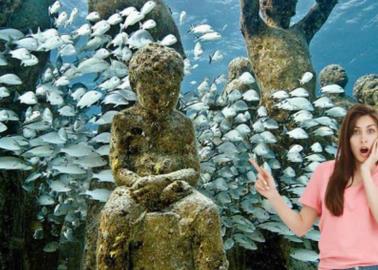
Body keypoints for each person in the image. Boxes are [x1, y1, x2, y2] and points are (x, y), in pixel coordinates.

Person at [250, 104, 378, 270]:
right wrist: (273, 195)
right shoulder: (325, 172)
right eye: (355, 132)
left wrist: (366, 173)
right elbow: (300, 226)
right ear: (346, 138)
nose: (363, 139)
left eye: (371, 131)